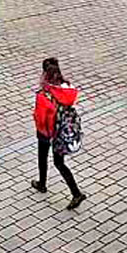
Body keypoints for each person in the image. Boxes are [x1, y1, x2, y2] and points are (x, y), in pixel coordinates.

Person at [32, 58, 86, 210]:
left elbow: (41, 116)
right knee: (59, 162)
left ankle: (43, 184)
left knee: (42, 156)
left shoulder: (44, 94)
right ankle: (76, 193)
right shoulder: (66, 88)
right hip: (62, 131)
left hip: (46, 131)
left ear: (44, 74)